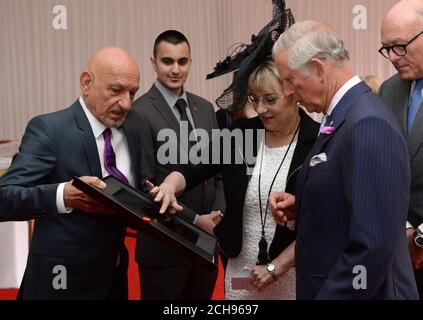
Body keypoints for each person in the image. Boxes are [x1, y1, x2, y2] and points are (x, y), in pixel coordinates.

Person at [268, 20, 418, 299]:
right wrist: (305, 206)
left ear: (317, 68)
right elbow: (356, 202)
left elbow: (371, 246)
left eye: (289, 79)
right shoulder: (342, 115)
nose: (287, 91)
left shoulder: (367, 122)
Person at [147, 58, 319, 300]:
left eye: (270, 99)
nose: (260, 109)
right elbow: (192, 169)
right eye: (253, 99)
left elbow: (322, 220)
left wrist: (277, 267)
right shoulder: (240, 135)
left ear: (294, 95)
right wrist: (169, 185)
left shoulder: (318, 143)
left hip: (290, 270)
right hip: (242, 268)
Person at [0, 47, 141, 299]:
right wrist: (64, 195)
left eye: (132, 93)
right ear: (87, 83)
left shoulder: (132, 132)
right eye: (116, 90)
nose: (126, 103)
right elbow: (5, 198)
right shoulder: (50, 129)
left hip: (114, 280)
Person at [128, 30, 225, 300]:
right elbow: (143, 185)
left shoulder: (205, 108)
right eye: (167, 61)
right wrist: (196, 221)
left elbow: (219, 170)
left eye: (182, 61)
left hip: (207, 244)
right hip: (164, 247)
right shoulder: (139, 112)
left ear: (190, 62)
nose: (175, 69)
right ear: (153, 62)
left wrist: (217, 216)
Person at [378, 0, 423, 299]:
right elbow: (385, 164)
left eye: (400, 46)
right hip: (398, 252)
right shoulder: (389, 89)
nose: (392, 57)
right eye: (386, 48)